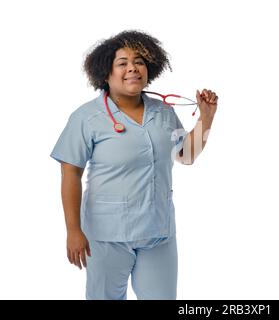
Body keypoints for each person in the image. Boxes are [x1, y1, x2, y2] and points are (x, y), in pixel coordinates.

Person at [50, 30, 218, 300]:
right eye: (122, 63)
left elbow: (186, 155)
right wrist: (72, 231)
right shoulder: (87, 117)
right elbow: (70, 173)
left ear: (149, 68)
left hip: (158, 233)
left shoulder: (163, 112)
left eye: (139, 61)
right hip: (107, 236)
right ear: (106, 73)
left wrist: (206, 120)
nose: (132, 68)